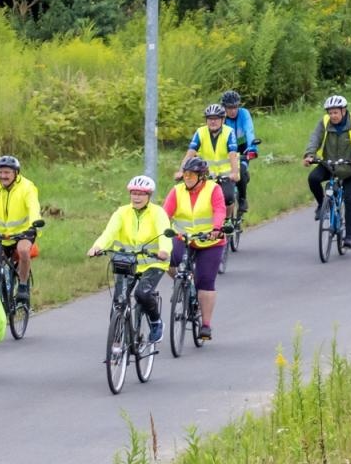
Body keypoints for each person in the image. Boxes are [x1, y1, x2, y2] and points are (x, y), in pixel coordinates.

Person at [87, 175, 171, 342]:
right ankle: (117, 344)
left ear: (149, 196)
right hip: (127, 263)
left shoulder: (158, 213)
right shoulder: (122, 212)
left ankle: (155, 322)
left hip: (153, 263)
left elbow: (164, 234)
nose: (137, 197)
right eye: (134, 193)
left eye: (141, 194)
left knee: (143, 293)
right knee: (119, 301)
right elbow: (109, 233)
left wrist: (164, 250)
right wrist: (97, 247)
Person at [163, 159, 226, 342]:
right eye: (185, 174)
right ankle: (183, 282)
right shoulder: (177, 191)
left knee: (205, 282)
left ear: (202, 176)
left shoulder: (213, 189)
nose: (187, 177)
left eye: (191, 174)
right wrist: (159, 228)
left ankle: (205, 325)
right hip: (183, 238)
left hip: (210, 242)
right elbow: (165, 213)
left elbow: (220, 210)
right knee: (167, 259)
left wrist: (216, 228)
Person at [303, 94, 351, 250]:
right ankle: (322, 205)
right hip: (330, 165)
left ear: (343, 111)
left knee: (349, 200)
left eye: (335, 112)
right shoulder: (325, 122)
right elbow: (315, 138)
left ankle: (348, 237)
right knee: (313, 178)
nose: (332, 116)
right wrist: (309, 155)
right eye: (330, 112)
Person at [0, 155, 41, 301]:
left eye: (7, 172)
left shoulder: (27, 187)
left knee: (24, 251)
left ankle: (23, 286)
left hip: (23, 232)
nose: (3, 176)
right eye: (0, 172)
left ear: (15, 173)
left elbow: (33, 207)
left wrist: (34, 224)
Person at [182, 104, 241, 214]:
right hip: (206, 174)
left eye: (216, 119)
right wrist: (182, 171)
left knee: (227, 198)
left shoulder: (229, 132)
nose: (212, 122)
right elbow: (190, 153)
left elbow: (232, 154)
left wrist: (234, 173)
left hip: (226, 174)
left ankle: (228, 220)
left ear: (223, 120)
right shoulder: (200, 132)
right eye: (210, 119)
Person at [220, 90, 260, 216]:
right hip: (227, 150)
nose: (232, 111)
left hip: (243, 148)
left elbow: (249, 131)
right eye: (229, 108)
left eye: (235, 107)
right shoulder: (221, 117)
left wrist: (252, 148)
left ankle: (242, 200)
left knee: (241, 171)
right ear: (224, 108)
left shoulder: (244, 114)